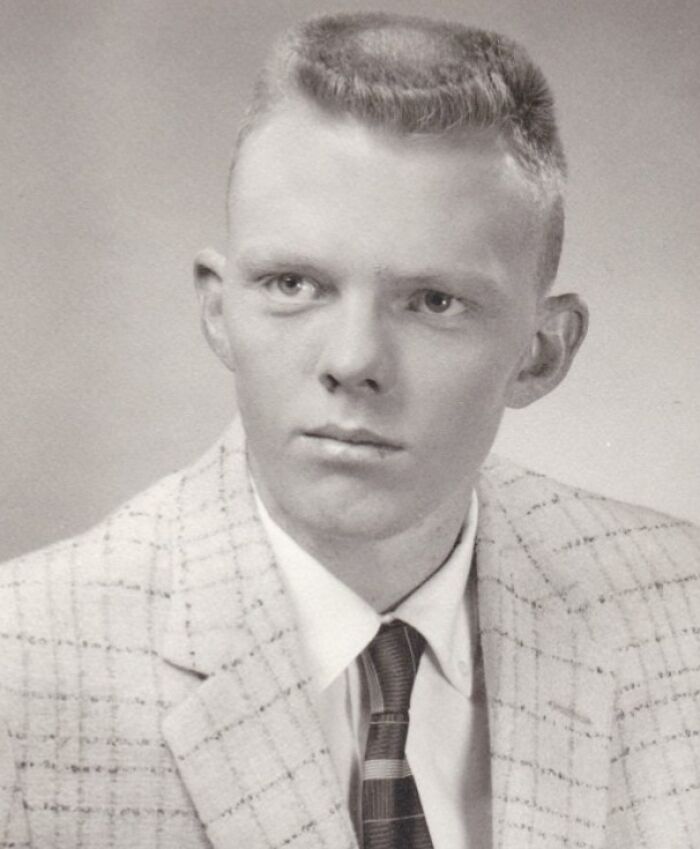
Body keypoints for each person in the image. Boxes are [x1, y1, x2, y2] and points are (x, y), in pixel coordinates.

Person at [1, 11, 699, 849]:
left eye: (433, 301)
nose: (353, 360)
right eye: (293, 284)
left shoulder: (680, 612)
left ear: (541, 353)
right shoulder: (22, 675)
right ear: (218, 312)